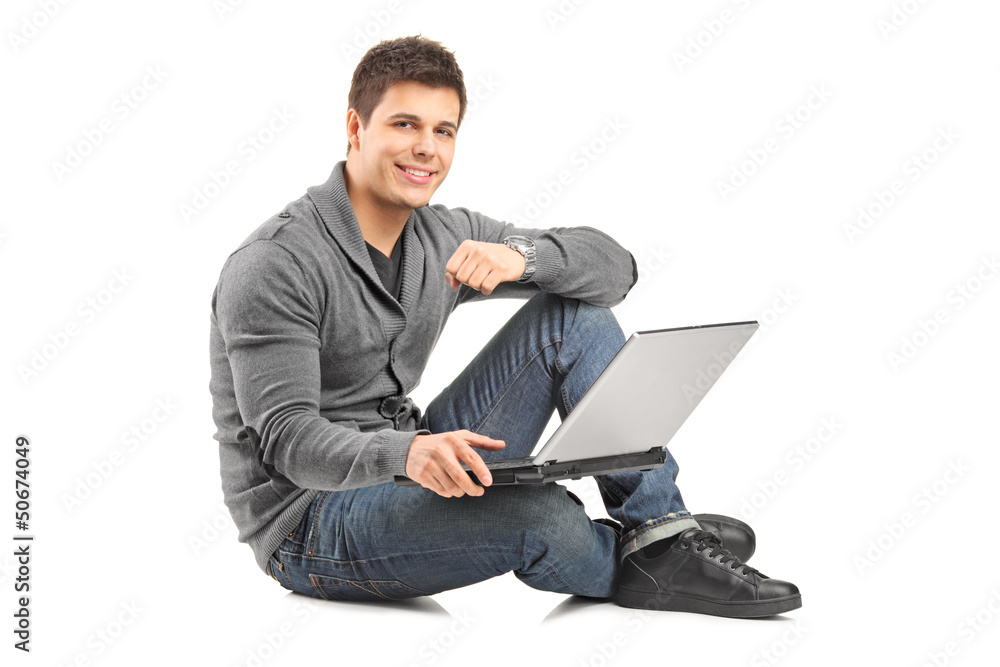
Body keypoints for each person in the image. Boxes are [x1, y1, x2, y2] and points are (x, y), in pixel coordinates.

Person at [208, 34, 800, 618]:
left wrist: (527, 259)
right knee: (541, 516)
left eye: (444, 131)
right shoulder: (275, 263)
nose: (426, 149)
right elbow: (285, 440)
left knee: (572, 312)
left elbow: (615, 269)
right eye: (405, 125)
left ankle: (661, 530)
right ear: (356, 129)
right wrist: (407, 452)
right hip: (311, 522)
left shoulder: (442, 235)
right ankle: (660, 551)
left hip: (419, 457)